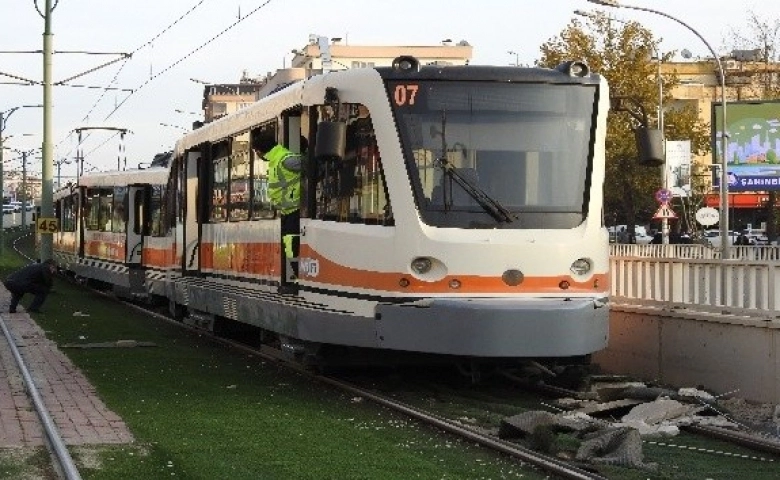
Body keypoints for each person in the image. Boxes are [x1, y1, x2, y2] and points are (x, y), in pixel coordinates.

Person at [251, 131, 303, 284]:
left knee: (292, 244)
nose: (257, 154)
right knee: (290, 245)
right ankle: (298, 274)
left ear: (260, 150)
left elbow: (308, 166)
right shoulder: (275, 160)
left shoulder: (285, 160)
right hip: (288, 211)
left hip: (295, 210)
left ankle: (301, 276)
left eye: (256, 151)